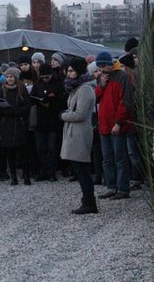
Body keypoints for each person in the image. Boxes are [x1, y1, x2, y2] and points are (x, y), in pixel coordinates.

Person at [95, 51, 135, 200]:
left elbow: (125, 102)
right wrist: (102, 85)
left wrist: (118, 123)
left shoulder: (123, 77)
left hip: (117, 125)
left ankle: (123, 189)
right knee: (107, 158)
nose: (101, 69)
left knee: (120, 158)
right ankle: (111, 186)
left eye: (102, 66)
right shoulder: (101, 78)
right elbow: (97, 97)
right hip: (104, 124)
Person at [60, 58, 98, 214]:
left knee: (83, 169)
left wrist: (63, 116)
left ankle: (89, 202)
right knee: (79, 168)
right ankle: (87, 199)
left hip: (80, 132)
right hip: (74, 131)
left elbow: (80, 114)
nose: (68, 74)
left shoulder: (85, 89)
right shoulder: (76, 88)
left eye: (71, 70)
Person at [0, 68, 32, 185]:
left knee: (23, 152)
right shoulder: (2, 89)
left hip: (19, 121)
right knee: (10, 152)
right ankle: (13, 177)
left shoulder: (22, 89)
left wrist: (17, 112)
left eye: (11, 77)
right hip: (7, 122)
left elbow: (27, 105)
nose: (9, 79)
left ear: (16, 78)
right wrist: (5, 111)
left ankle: (26, 175)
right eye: (7, 77)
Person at [32, 64, 65, 182]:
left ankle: (52, 172)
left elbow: (62, 101)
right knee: (41, 148)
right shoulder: (38, 83)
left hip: (53, 121)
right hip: (40, 121)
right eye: (43, 77)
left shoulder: (58, 83)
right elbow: (33, 97)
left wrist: (52, 100)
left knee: (52, 148)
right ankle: (43, 171)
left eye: (47, 77)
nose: (45, 79)